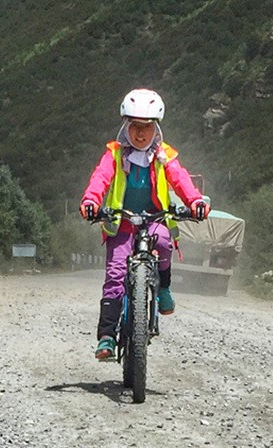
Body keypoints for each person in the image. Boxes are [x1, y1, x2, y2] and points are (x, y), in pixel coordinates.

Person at [79, 88, 210, 361]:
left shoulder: (164, 155)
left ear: (156, 129)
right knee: (115, 275)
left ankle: (164, 289)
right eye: (135, 126)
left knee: (163, 243)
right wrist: (91, 200)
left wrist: (195, 201)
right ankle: (106, 336)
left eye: (147, 127)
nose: (141, 133)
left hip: (154, 219)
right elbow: (100, 178)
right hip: (122, 222)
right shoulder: (114, 153)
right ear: (125, 126)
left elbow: (181, 179)